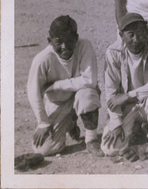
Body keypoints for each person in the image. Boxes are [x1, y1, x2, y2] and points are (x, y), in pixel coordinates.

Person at [27, 15, 102, 156]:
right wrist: (43, 122)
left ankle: (91, 139)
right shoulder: (42, 59)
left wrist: (56, 85)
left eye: (69, 41)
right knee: (43, 149)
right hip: (58, 102)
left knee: (88, 94)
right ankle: (69, 122)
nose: (65, 46)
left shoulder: (85, 45)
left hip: (79, 96)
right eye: (59, 42)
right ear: (49, 41)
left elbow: (90, 80)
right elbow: (33, 92)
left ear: (76, 37)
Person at [100, 13, 148, 156]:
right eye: (131, 35)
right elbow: (111, 92)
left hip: (146, 103)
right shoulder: (113, 52)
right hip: (126, 107)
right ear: (121, 34)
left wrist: (128, 95)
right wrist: (116, 123)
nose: (136, 39)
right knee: (110, 149)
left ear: (146, 32)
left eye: (140, 33)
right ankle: (137, 129)